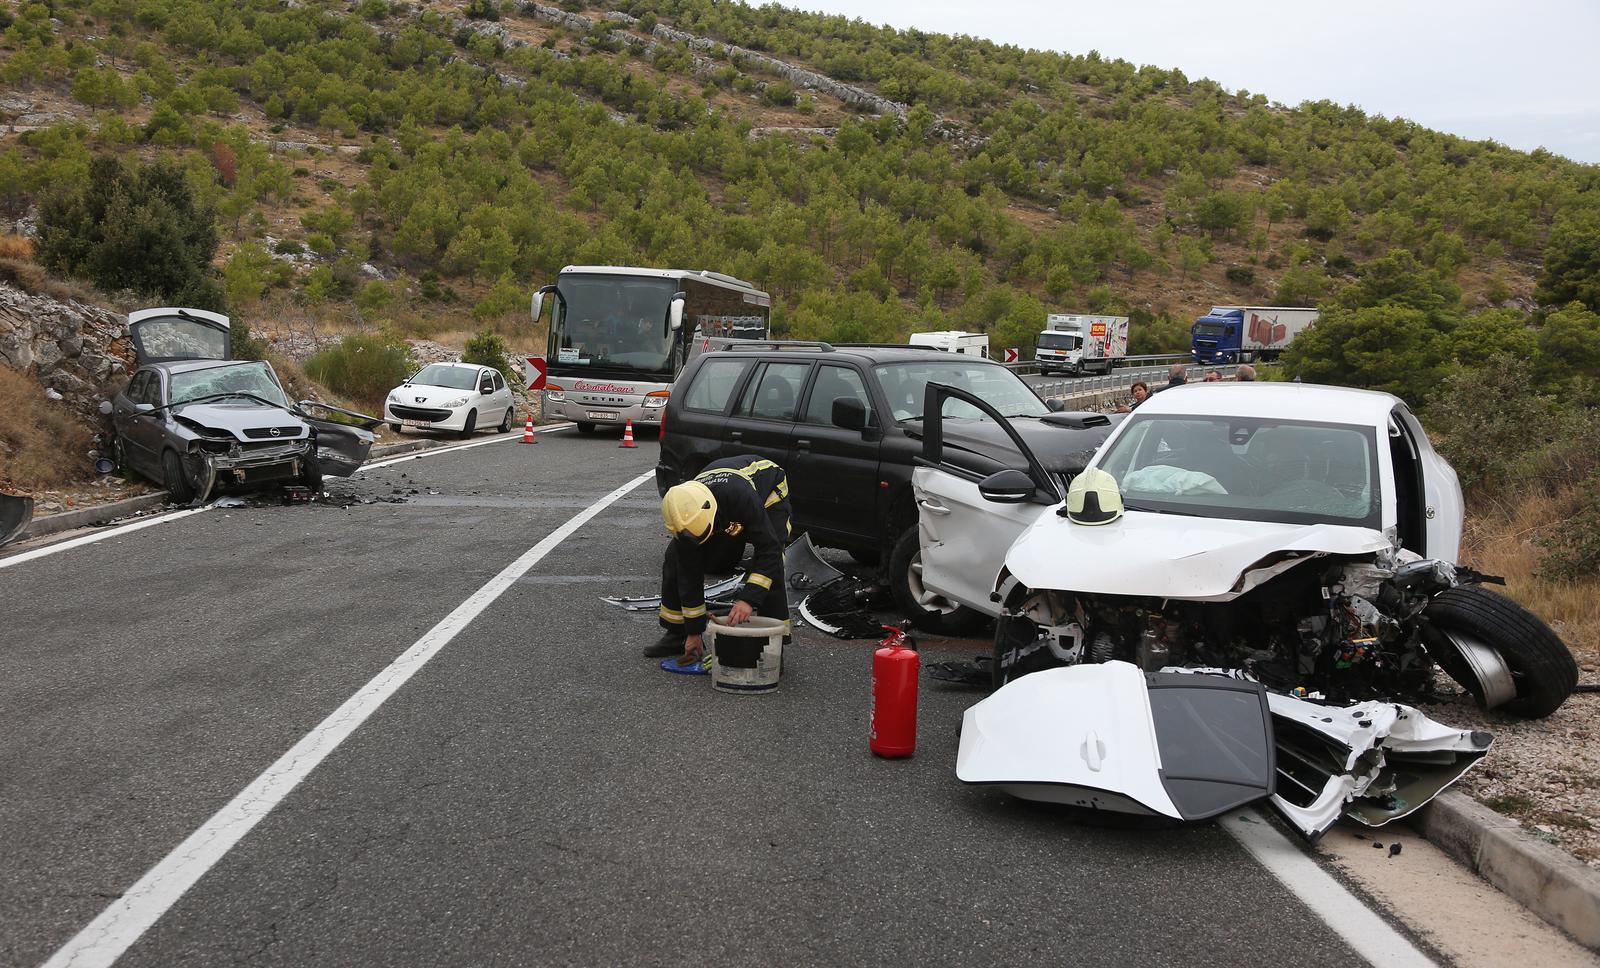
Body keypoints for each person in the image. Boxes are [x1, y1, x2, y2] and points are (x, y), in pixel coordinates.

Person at [648, 456, 792, 671]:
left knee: (772, 564)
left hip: (769, 492)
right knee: (675, 560)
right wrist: (694, 631)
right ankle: (677, 634)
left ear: (713, 514)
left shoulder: (740, 497)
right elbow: (689, 574)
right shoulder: (684, 510)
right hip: (719, 503)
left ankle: (772, 649)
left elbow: (768, 550)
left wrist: (748, 600)